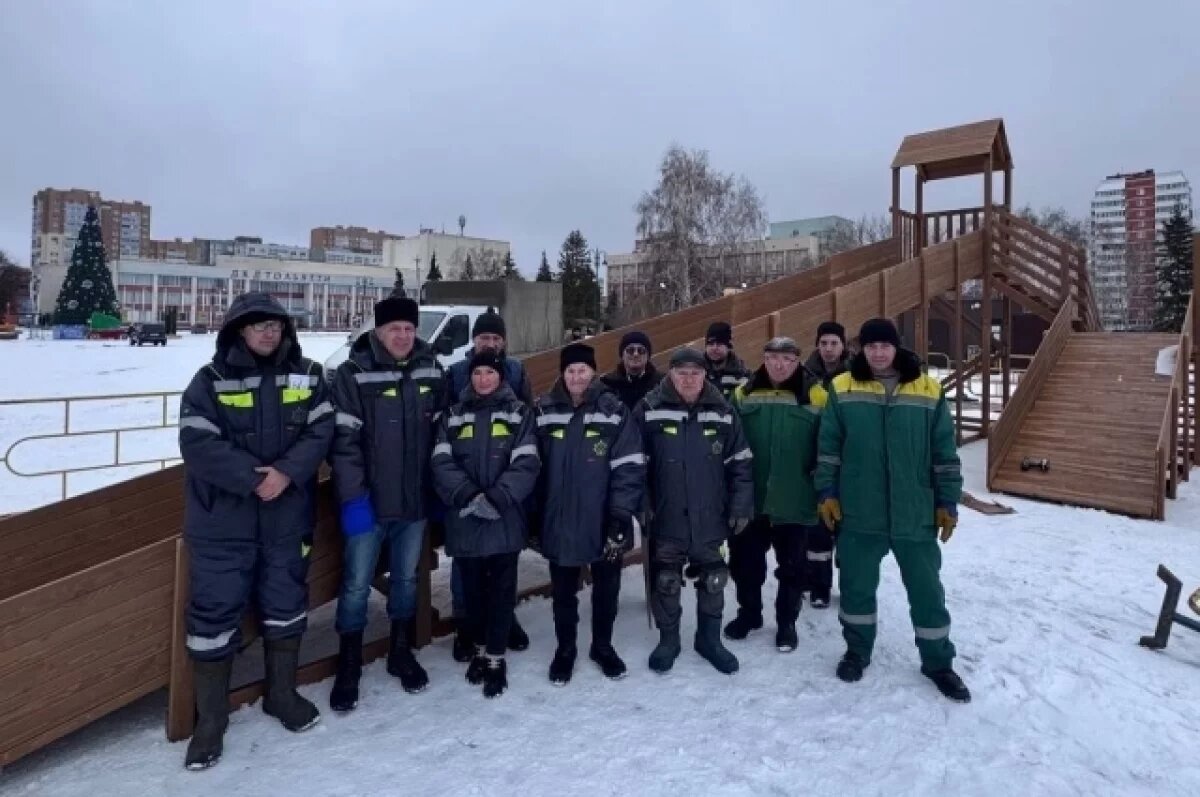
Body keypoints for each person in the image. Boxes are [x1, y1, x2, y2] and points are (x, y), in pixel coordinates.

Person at [178, 292, 334, 770]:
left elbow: (322, 427)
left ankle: (281, 695)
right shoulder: (210, 381)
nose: (270, 333)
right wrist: (254, 479)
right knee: (213, 617)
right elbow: (197, 441)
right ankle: (211, 721)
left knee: (286, 605)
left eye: (276, 326)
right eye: (259, 325)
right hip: (223, 522)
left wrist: (285, 473)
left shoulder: (308, 375)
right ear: (238, 332)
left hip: (286, 517)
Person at [815, 318, 970, 703]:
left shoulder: (928, 389)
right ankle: (857, 651)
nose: (878, 353)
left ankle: (938, 662)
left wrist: (947, 500)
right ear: (861, 350)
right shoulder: (842, 387)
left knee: (927, 591)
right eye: (871, 347)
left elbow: (944, 453)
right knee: (855, 588)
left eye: (885, 346)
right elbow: (828, 449)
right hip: (859, 510)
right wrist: (827, 493)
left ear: (896, 348)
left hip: (913, 511)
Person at [328, 296, 448, 711]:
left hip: (413, 505)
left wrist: (435, 492)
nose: (402, 336)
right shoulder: (353, 373)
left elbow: (442, 436)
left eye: (409, 329)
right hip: (369, 503)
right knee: (357, 583)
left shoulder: (432, 369)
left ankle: (401, 650)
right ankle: (349, 662)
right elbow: (343, 445)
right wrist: (354, 499)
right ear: (378, 332)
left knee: (407, 582)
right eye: (394, 329)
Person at [532, 343, 644, 685]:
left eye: (583, 370)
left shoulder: (613, 410)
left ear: (593, 372)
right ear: (562, 374)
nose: (576, 376)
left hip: (603, 519)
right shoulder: (544, 410)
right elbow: (531, 465)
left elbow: (628, 465)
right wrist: (533, 515)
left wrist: (621, 514)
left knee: (606, 587)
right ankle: (565, 648)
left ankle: (602, 645)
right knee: (563, 590)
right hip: (559, 518)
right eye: (570, 370)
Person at [637, 347, 754, 674]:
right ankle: (668, 640)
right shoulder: (649, 409)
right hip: (666, 515)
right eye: (681, 373)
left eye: (695, 373)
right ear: (670, 374)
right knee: (667, 581)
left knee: (714, 579)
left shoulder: (723, 411)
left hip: (710, 516)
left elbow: (741, 463)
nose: (688, 379)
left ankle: (709, 639)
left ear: (705, 376)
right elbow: (633, 465)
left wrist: (741, 505)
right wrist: (641, 504)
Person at [432, 349, 541, 698]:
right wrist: (467, 495)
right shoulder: (451, 416)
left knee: (501, 593)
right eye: (477, 374)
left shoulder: (519, 413)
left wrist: (497, 498)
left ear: (501, 378)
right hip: (465, 518)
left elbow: (527, 460)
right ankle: (479, 649)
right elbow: (440, 462)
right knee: (473, 594)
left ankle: (496, 656)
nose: (483, 380)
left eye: (490, 374)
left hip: (503, 519)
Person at [727, 337, 828, 652]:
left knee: (794, 568)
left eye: (786, 359)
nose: (779, 365)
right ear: (764, 359)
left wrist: (820, 480)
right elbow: (728, 441)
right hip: (751, 500)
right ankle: (750, 614)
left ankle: (786, 623)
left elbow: (830, 443)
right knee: (746, 565)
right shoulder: (743, 394)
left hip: (794, 499)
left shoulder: (817, 396)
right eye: (772, 358)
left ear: (797, 361)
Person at [444, 308, 533, 659]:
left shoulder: (515, 369)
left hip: (503, 474)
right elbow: (445, 421)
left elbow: (524, 413)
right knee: (465, 559)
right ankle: (465, 623)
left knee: (503, 558)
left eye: (497, 339)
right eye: (485, 338)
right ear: (474, 340)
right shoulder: (454, 373)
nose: (491, 344)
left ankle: (504, 617)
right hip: (465, 471)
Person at [600, 330, 663, 410]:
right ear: (622, 355)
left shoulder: (661, 383)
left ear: (648, 356)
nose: (636, 354)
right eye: (630, 350)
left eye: (641, 350)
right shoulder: (607, 383)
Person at [702, 321, 750, 399]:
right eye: (710, 344)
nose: (714, 348)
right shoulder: (697, 371)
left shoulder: (741, 375)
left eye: (719, 344)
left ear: (728, 346)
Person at [805, 321, 851, 387]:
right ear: (817, 346)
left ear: (843, 346)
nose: (828, 349)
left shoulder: (853, 372)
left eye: (834, 343)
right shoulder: (807, 373)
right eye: (823, 343)